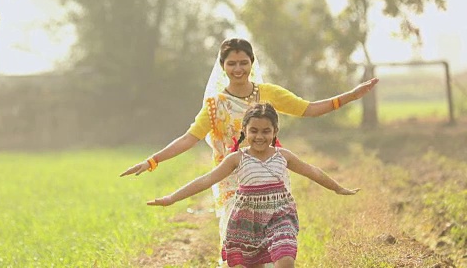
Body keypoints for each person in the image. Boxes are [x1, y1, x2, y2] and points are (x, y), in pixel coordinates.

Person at [120, 38, 377, 246]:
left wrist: (351, 96)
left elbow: (309, 109)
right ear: (223, 66)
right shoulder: (215, 105)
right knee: (238, 244)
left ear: (252, 64)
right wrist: (152, 161)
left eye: (244, 62)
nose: (238, 68)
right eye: (232, 63)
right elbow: (189, 138)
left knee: (270, 242)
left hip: (269, 174)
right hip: (233, 178)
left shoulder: (269, 93)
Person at [147, 103, 360, 268]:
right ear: (245, 131)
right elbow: (206, 180)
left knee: (286, 259)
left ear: (275, 131)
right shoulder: (236, 159)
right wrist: (172, 198)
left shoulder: (283, 156)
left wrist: (337, 187)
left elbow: (312, 171)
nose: (260, 136)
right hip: (247, 222)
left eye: (266, 131)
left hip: (279, 217)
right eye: (254, 131)